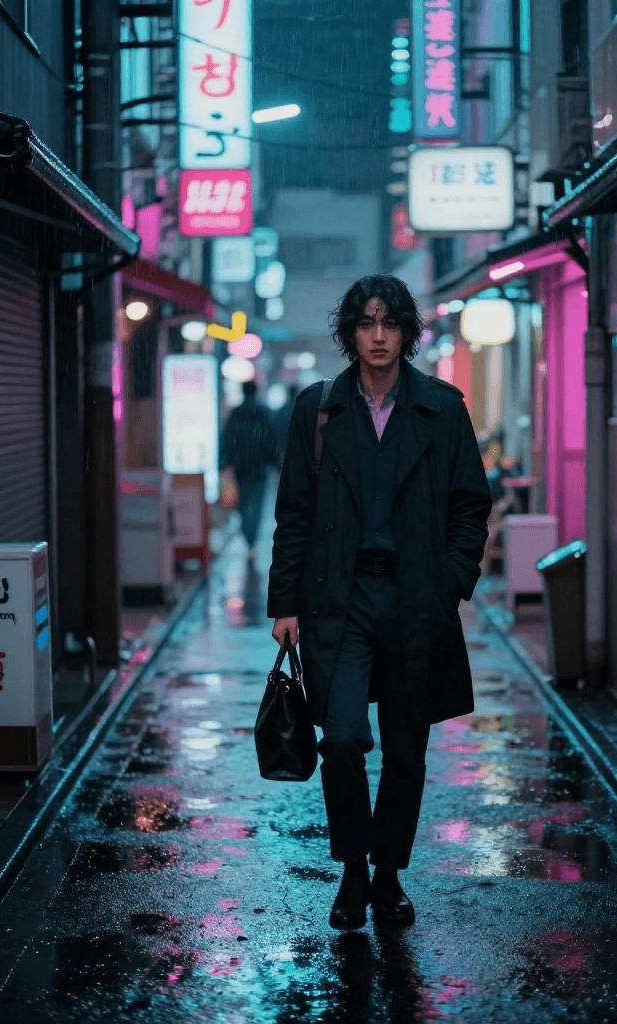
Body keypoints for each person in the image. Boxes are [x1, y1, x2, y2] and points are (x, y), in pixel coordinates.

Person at [268, 273, 491, 931]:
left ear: (406, 332)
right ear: (350, 334)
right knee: (340, 738)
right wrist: (285, 604)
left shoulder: (442, 409)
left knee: (405, 750)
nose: (377, 337)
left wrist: (451, 579)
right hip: (339, 597)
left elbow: (470, 505)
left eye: (389, 323)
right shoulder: (318, 410)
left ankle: (388, 874)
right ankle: (352, 869)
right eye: (366, 324)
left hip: (417, 597)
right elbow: (295, 515)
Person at [220, 380, 278, 561]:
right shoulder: (263, 413)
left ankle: (248, 538)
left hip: (241, 468)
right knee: (258, 506)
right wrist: (275, 464)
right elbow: (272, 441)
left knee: (243, 505)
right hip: (260, 468)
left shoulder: (236, 414)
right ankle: (251, 541)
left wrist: (225, 462)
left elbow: (227, 439)